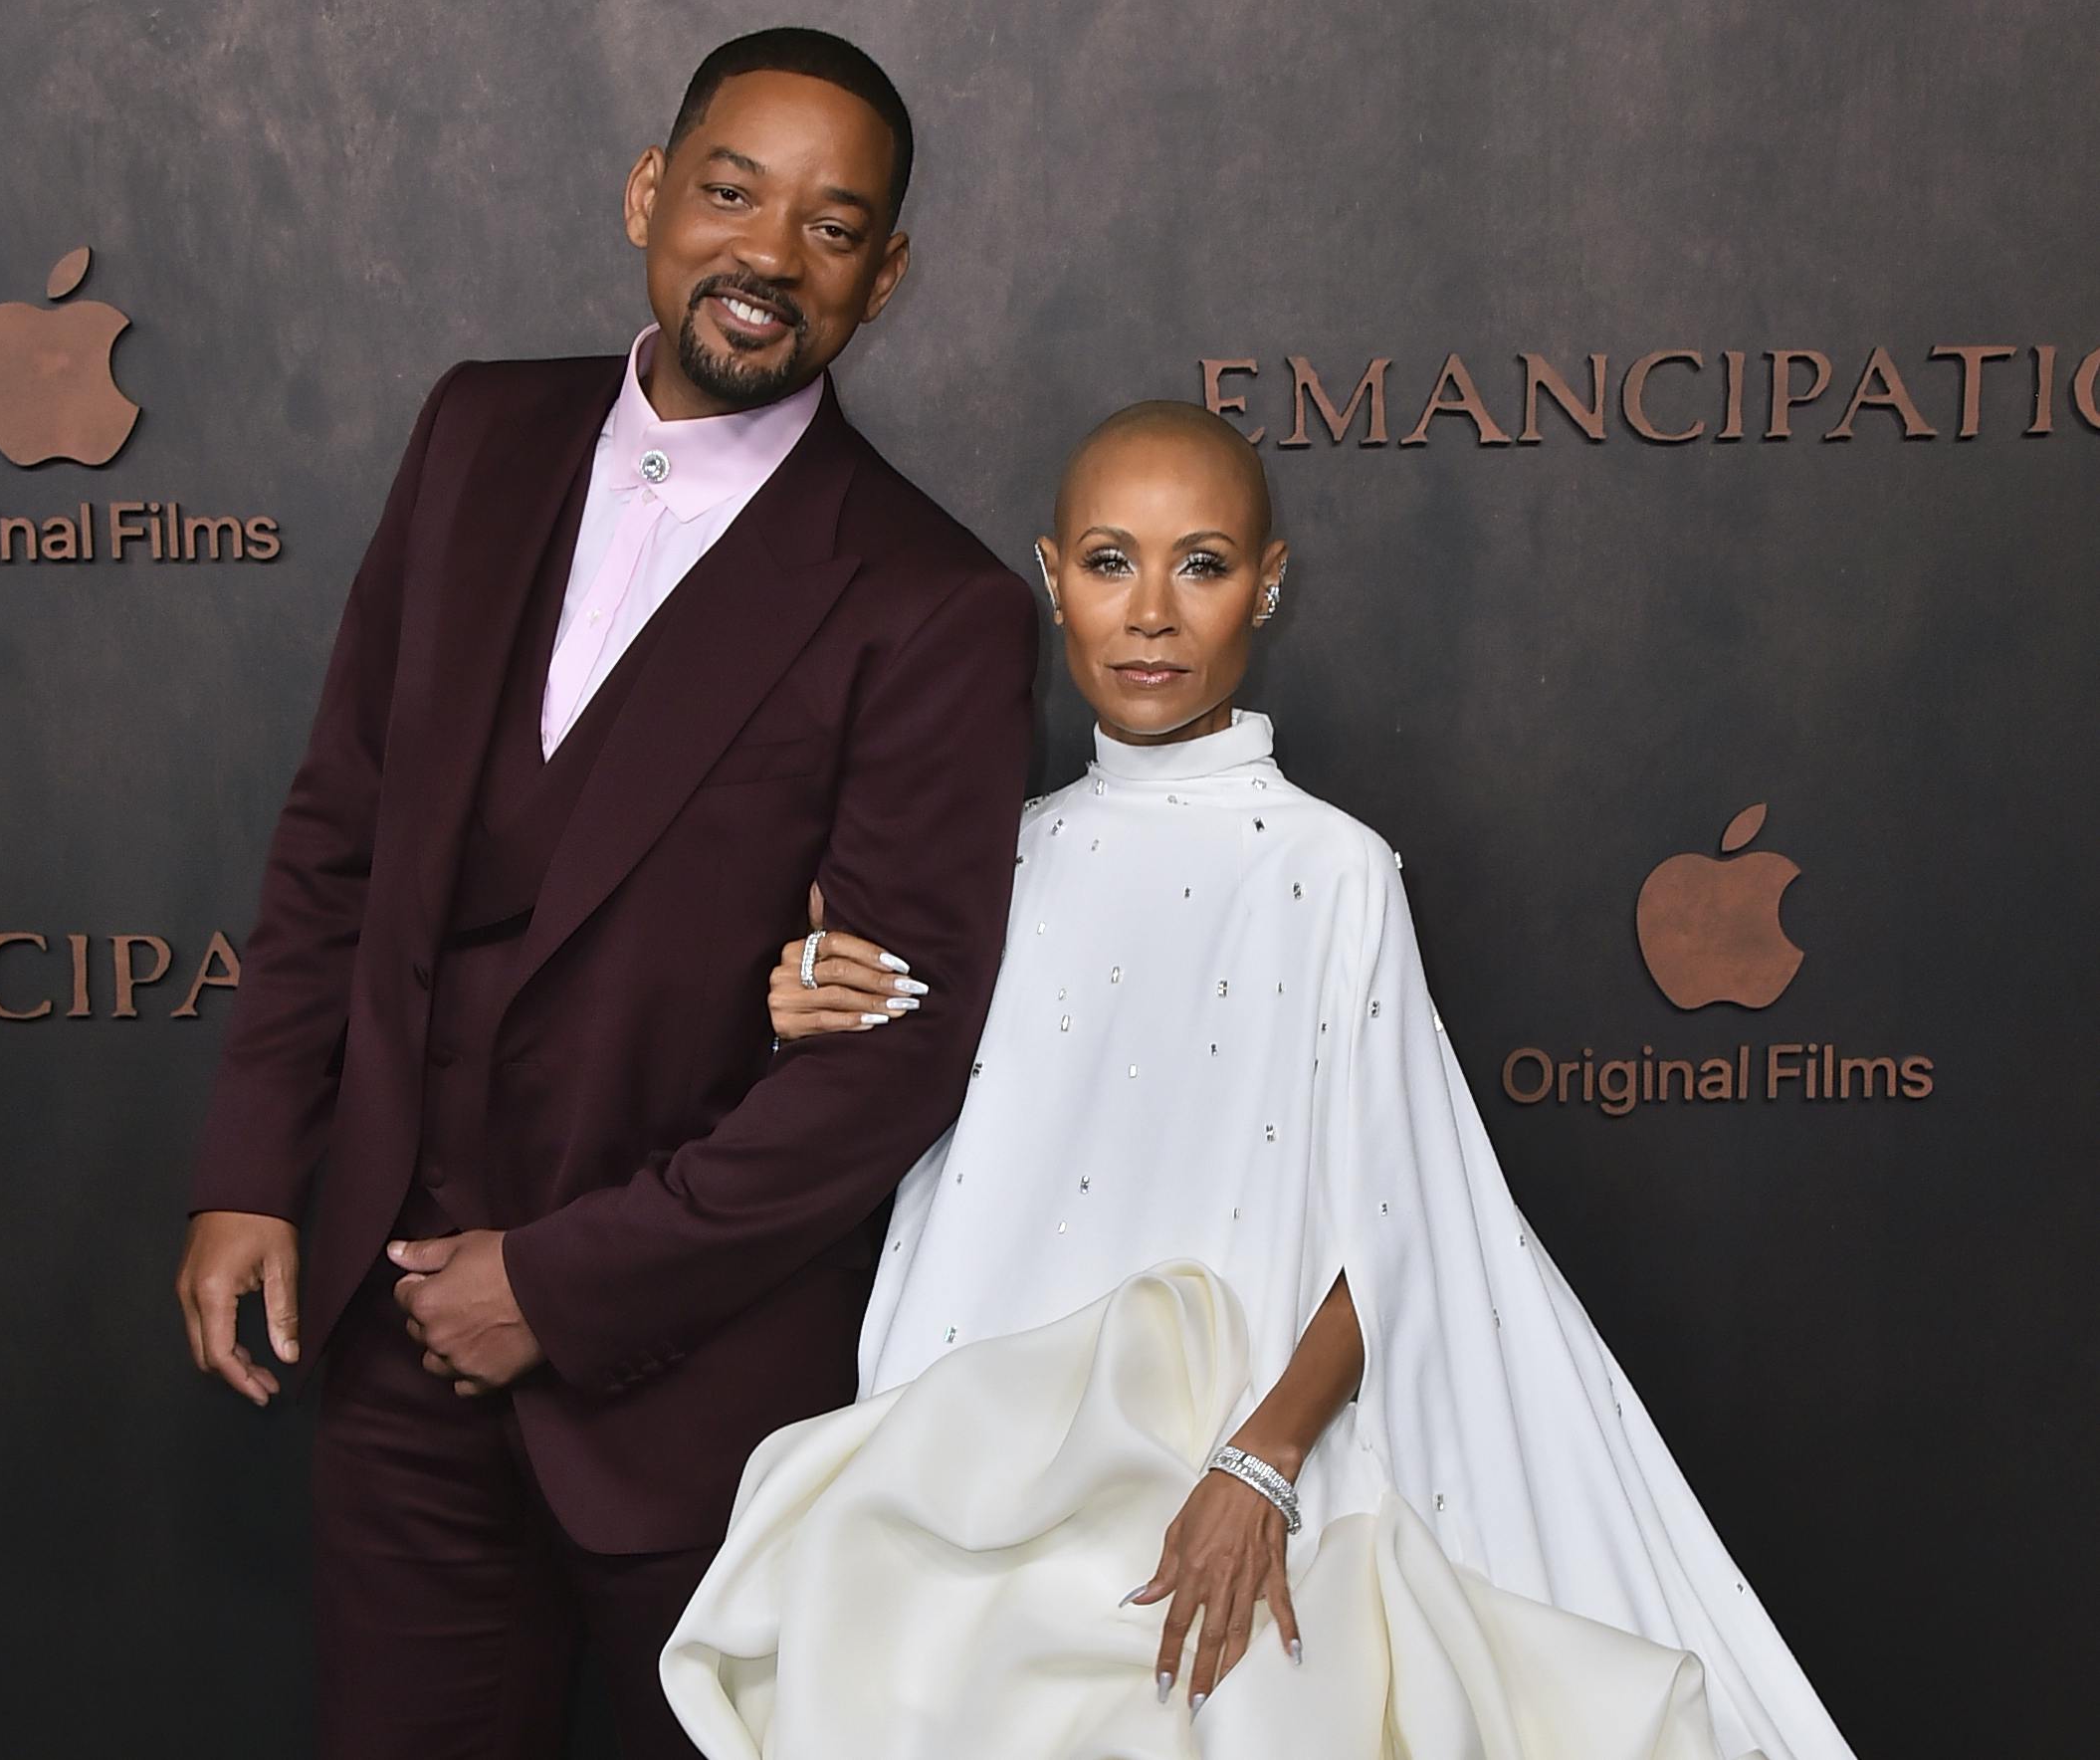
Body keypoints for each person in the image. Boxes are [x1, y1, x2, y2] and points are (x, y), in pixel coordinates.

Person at [661, 403, 1857, 1760]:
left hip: (1226, 1466)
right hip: (958, 1465)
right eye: (1112, 563)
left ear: (1268, 586)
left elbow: (1409, 1226)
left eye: (1204, 563)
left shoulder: (1332, 869)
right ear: (1052, 580)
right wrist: (804, 994)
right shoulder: (985, 859)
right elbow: (879, 1051)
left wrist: (1263, 1462)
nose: (1153, 613)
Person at [171, 28, 1036, 1760]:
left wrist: (560, 1291)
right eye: (733, 192)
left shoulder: (933, 605)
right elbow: (341, 821)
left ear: (889, 273)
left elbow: (888, 1066)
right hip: (393, 1345)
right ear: (652, 191)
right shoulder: (478, 430)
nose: (769, 257)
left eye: (833, 226)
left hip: (701, 1410)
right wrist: (257, 1162)